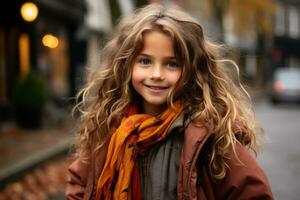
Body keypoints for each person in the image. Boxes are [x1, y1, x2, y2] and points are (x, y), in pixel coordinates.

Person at [66, 3, 273, 200]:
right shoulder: (109, 127)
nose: (157, 74)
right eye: (145, 61)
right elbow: (80, 184)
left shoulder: (210, 136)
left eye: (172, 64)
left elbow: (253, 193)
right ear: (126, 66)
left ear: (193, 70)